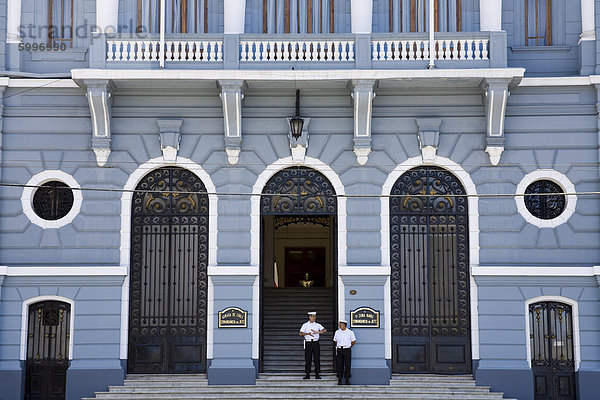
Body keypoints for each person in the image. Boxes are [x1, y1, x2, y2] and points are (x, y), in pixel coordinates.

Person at [299, 311, 326, 379]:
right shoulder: (305, 325)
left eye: (315, 316)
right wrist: (307, 334)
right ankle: (307, 374)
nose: (314, 318)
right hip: (308, 342)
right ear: (309, 317)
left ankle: (317, 373)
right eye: (313, 316)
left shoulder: (317, 325)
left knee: (317, 358)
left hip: (315, 342)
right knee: (308, 359)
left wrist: (318, 332)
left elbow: (324, 330)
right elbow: (300, 333)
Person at [333, 319, 356, 385]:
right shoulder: (337, 332)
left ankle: (347, 380)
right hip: (340, 349)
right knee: (339, 365)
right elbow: (335, 340)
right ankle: (340, 379)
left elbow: (353, 341)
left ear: (344, 325)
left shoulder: (350, 332)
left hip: (347, 350)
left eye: (340, 324)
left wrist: (348, 346)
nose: (339, 325)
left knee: (347, 365)